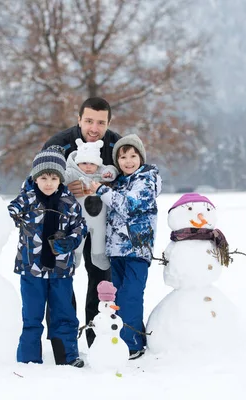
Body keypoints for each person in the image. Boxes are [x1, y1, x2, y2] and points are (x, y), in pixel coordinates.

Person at [43, 97, 121, 347]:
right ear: (78, 120)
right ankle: (63, 340)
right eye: (88, 121)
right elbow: (38, 181)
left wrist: (109, 188)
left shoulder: (117, 145)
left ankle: (98, 337)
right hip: (63, 224)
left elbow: (130, 177)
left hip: (101, 224)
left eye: (101, 122)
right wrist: (63, 186)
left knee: (101, 279)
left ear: (109, 123)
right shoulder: (58, 144)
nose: (94, 128)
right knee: (61, 280)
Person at [8, 145, 88, 367]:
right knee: (32, 316)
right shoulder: (27, 199)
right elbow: (9, 214)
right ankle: (29, 359)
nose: (49, 182)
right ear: (35, 177)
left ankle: (68, 356)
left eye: (54, 177)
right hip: (31, 268)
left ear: (60, 179)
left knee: (64, 314)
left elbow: (80, 227)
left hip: (61, 270)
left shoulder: (68, 201)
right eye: (44, 177)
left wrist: (71, 241)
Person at [89, 134, 161, 360]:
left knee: (130, 296)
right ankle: (123, 340)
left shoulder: (146, 180)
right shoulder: (120, 181)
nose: (128, 161)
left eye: (133, 156)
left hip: (136, 250)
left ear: (141, 157)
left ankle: (133, 345)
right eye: (123, 157)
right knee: (118, 298)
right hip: (117, 250)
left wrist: (102, 190)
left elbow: (129, 206)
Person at [63, 138, 118, 271]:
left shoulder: (101, 174)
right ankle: (74, 256)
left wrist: (110, 173)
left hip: (99, 219)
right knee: (77, 236)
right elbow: (60, 177)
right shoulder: (73, 173)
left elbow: (112, 171)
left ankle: (99, 255)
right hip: (79, 218)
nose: (88, 167)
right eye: (84, 163)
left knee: (99, 235)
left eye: (92, 163)